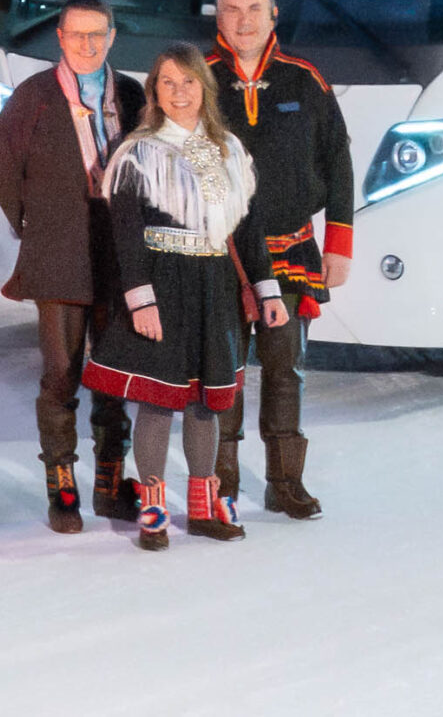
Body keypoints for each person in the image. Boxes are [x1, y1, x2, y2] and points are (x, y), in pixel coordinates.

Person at [83, 44, 288, 549]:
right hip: (161, 285)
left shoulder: (229, 151)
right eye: (168, 83)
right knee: (158, 401)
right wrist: (141, 300)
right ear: (154, 92)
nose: (179, 92)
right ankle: (153, 509)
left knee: (205, 402)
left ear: (204, 87)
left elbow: (248, 229)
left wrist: (267, 291)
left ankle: (201, 506)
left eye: (189, 82)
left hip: (214, 287)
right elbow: (126, 235)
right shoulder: (137, 153)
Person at [0, 0, 143, 533]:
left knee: (114, 374)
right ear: (60, 37)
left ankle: (110, 482)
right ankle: (62, 485)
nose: (87, 44)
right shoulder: (32, 97)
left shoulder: (132, 94)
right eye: (77, 34)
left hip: (119, 254)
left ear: (112, 37)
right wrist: (38, 226)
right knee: (60, 374)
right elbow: (3, 171)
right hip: (58, 254)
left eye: (97, 34)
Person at [207, 0, 353, 517]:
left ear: (274, 16)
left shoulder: (305, 80)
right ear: (217, 17)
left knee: (285, 368)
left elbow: (338, 163)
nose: (243, 20)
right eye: (231, 9)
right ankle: (219, 483)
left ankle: (286, 482)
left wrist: (339, 245)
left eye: (254, 8)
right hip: (219, 255)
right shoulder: (196, 80)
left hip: (290, 251)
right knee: (222, 371)